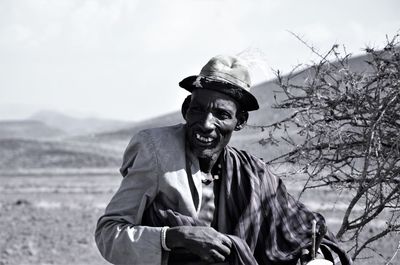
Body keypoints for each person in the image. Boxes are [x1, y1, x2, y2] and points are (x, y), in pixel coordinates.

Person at [95, 55, 352, 265]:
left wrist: (317, 258)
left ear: (239, 121)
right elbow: (109, 233)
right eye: (197, 109)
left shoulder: (255, 174)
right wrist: (172, 237)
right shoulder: (156, 150)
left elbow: (306, 232)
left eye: (221, 114)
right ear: (186, 109)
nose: (206, 124)